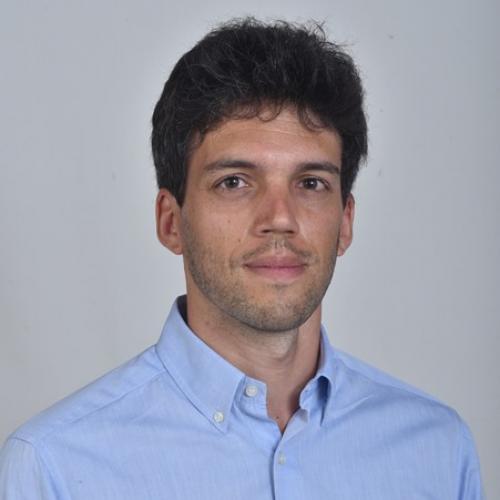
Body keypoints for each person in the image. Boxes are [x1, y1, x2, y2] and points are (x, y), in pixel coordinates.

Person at [0, 18, 484, 499]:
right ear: (171, 222)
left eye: (311, 183)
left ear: (345, 222)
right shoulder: (53, 466)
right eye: (234, 182)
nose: (280, 218)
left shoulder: (438, 451)